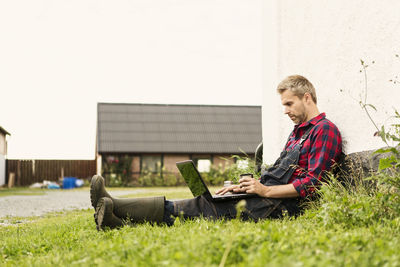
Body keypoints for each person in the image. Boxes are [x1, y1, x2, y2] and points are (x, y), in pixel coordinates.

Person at [90, 75, 342, 230]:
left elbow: (313, 184)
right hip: (267, 196)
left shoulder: (325, 130)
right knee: (208, 202)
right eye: (284, 105)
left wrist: (264, 190)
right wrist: (246, 185)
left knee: (202, 208)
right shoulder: (297, 132)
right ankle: (114, 212)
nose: (285, 110)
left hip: (282, 206)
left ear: (306, 97)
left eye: (289, 103)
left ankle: (115, 208)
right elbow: (278, 172)